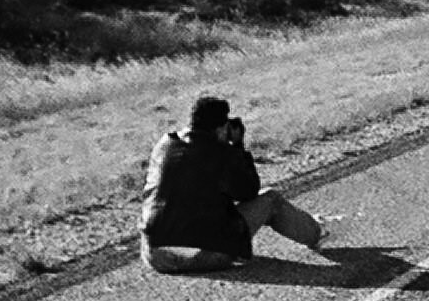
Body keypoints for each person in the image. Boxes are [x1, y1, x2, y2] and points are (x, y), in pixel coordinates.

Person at [140, 95, 331, 274]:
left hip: (156, 256)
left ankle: (192, 247)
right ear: (220, 128)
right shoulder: (220, 152)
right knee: (271, 200)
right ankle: (317, 232)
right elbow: (248, 192)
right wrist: (238, 147)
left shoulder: (165, 144)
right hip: (205, 257)